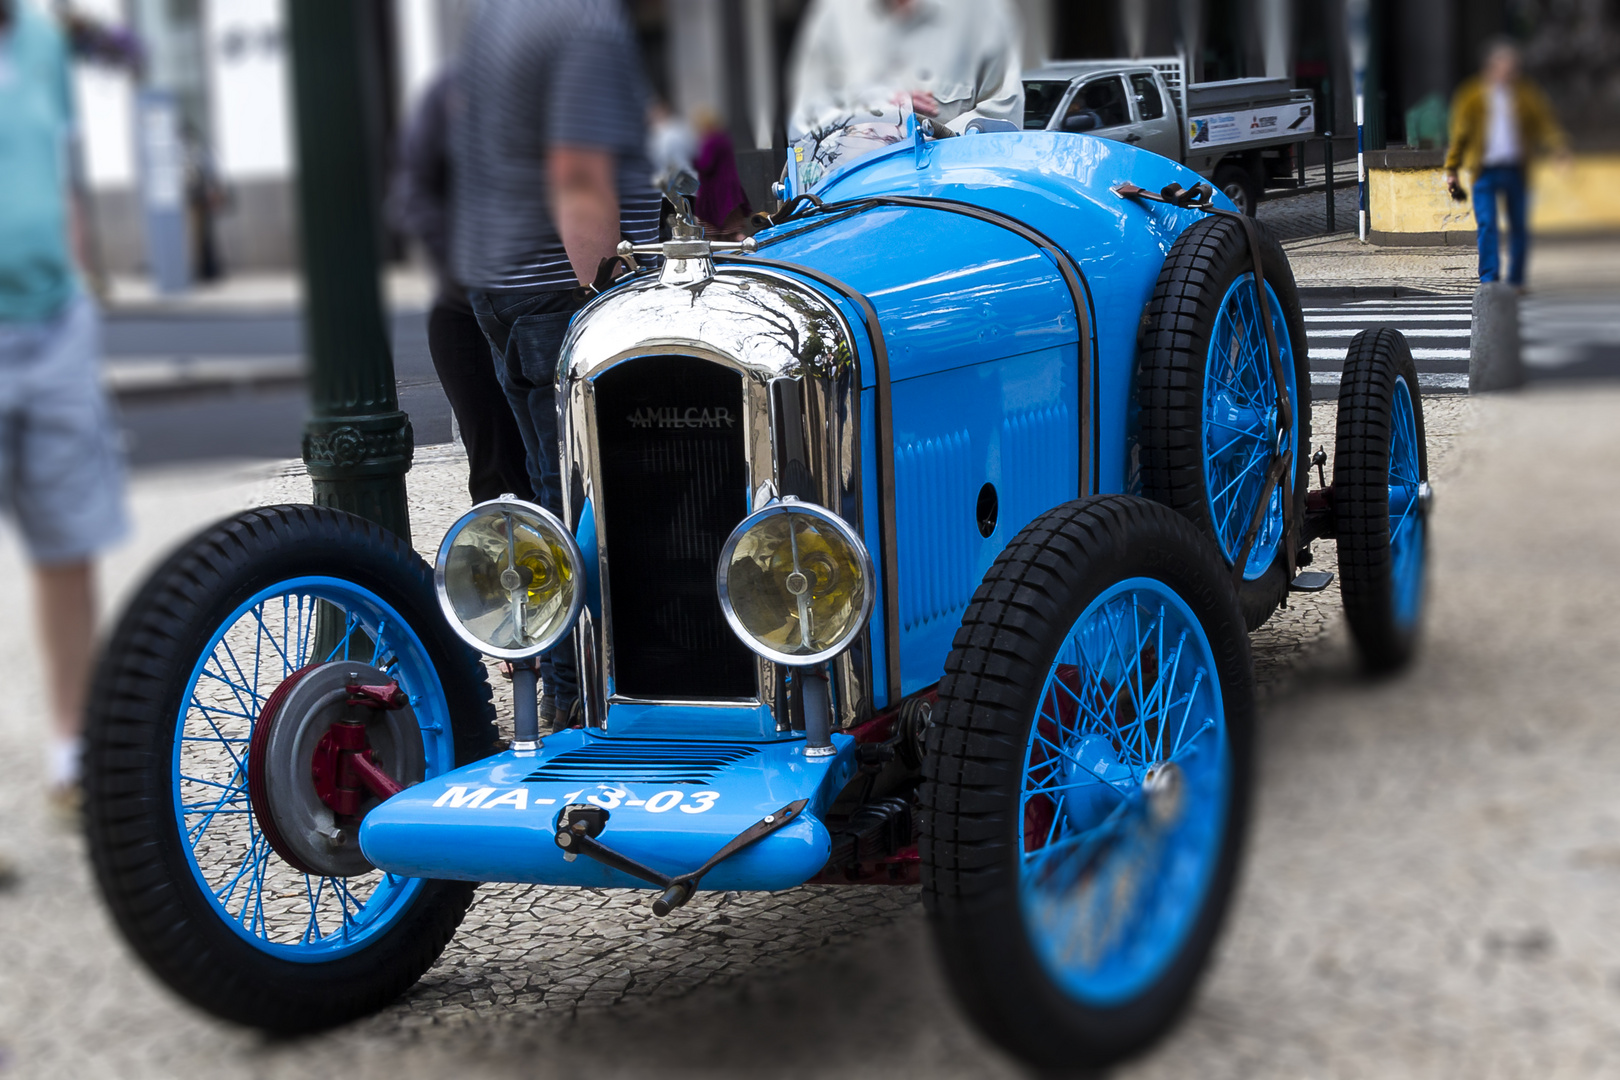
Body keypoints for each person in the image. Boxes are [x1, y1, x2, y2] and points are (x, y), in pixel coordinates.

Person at [451, 0, 660, 728]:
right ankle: (584, 697)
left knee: (549, 490)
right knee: (587, 496)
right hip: (557, 289)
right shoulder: (585, 23)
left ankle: (568, 685)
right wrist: (610, 302)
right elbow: (576, 172)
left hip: (504, 281)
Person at [0, 0, 129, 818]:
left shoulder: (41, 40)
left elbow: (53, 164)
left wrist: (81, 271)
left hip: (52, 323)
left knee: (67, 544)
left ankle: (71, 754)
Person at [391, 68, 532, 505]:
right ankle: (501, 552)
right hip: (462, 308)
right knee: (493, 463)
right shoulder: (450, 94)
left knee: (549, 458)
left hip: (540, 302)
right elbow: (410, 196)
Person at [787, 0, 1024, 140]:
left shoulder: (984, 14)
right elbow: (802, 126)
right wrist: (876, 107)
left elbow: (1005, 115)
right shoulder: (834, 16)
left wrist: (927, 140)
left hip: (956, 203)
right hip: (854, 206)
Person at [1443, 38, 1570, 290]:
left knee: (1519, 226)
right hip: (1485, 171)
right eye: (1507, 66)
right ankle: (1489, 280)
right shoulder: (1472, 96)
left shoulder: (1525, 94)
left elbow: (1545, 123)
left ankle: (1517, 281)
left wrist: (1559, 148)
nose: (1512, 72)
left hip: (1515, 170)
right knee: (1488, 223)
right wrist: (1452, 169)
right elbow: (1460, 134)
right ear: (1492, 66)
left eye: (1514, 67)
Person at [691, 109, 751, 240]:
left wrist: (693, 159)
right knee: (734, 231)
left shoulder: (710, 141)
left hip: (714, 193)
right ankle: (748, 252)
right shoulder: (724, 139)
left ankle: (719, 260)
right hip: (731, 192)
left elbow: (705, 165)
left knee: (712, 235)